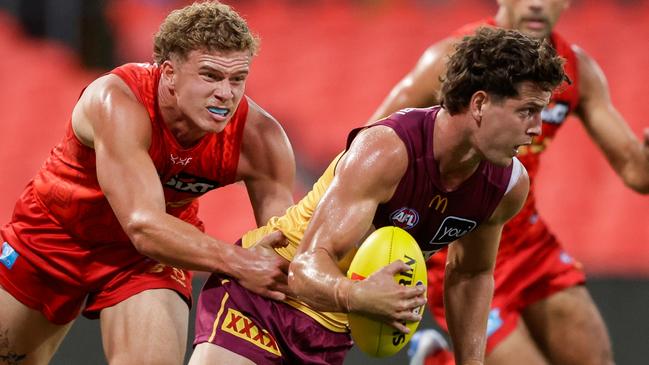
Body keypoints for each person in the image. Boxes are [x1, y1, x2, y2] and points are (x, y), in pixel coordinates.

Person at [190, 27, 568, 365]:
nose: (537, 128)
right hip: (263, 297)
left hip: (331, 329)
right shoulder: (388, 150)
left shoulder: (507, 187)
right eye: (528, 112)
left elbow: (471, 274)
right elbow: (306, 267)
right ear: (481, 104)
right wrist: (356, 296)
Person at [0, 2, 296, 364]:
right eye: (210, 75)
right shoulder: (116, 101)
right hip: (54, 234)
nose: (226, 93)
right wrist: (240, 261)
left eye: (237, 79)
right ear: (169, 73)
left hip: (146, 259)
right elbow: (142, 222)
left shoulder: (262, 140)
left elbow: (286, 248)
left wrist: (348, 294)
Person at [369, 1, 649, 364]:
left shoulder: (576, 70)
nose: (536, 3)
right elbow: (372, 142)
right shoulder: (457, 58)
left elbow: (637, 173)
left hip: (528, 244)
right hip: (464, 245)